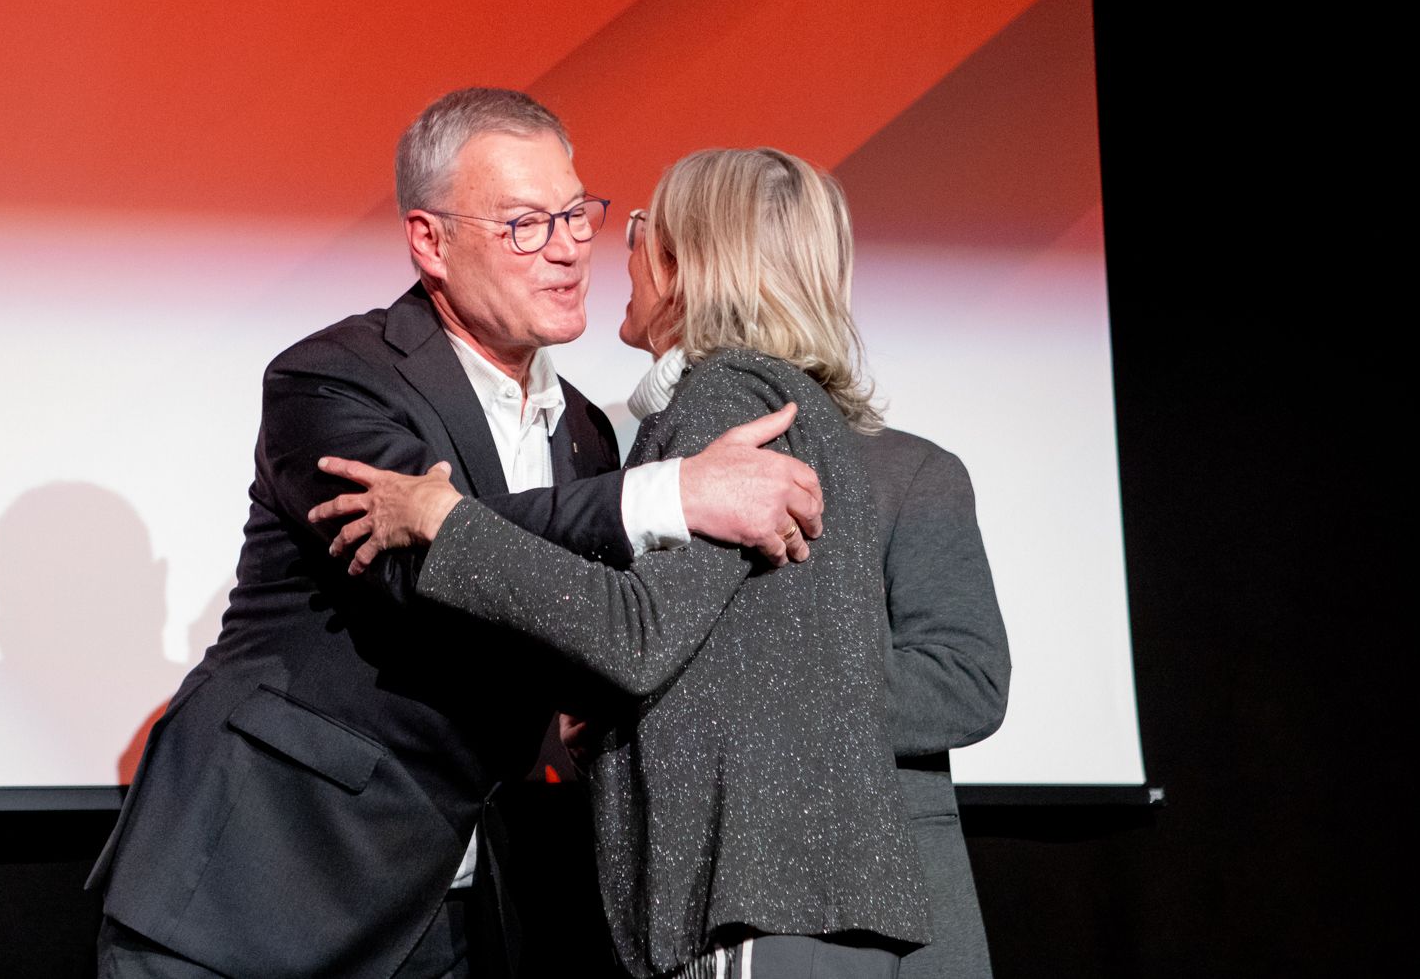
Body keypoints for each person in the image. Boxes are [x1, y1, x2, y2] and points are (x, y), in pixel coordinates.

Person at [88, 91, 824, 979]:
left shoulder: (587, 434)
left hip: (446, 903)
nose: (567, 248)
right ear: (430, 241)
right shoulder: (334, 379)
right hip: (257, 887)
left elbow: (571, 618)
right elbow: (413, 563)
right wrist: (671, 492)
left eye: (574, 213)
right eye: (523, 224)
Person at [320, 148, 934, 979]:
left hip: (758, 896)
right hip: (802, 902)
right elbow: (701, 641)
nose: (610, 252)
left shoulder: (728, 397)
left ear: (690, 265)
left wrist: (443, 517)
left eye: (638, 231)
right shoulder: (791, 402)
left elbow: (637, 635)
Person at [865, 426, 1010, 979]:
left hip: (888, 897)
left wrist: (772, 698)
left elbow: (969, 680)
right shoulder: (632, 471)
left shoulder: (905, 470)